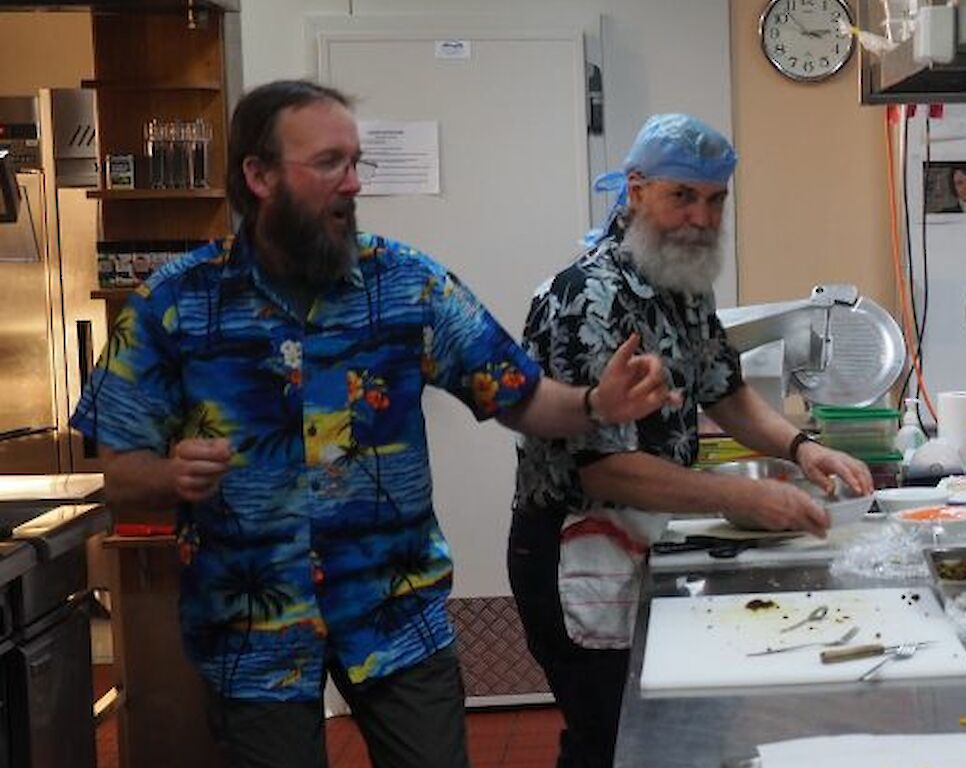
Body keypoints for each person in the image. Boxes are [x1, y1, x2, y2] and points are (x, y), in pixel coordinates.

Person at [70, 80, 678, 768]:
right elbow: (118, 474)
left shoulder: (405, 283)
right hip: (252, 630)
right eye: (329, 163)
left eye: (357, 161)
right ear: (259, 175)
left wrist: (596, 404)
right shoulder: (175, 304)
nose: (354, 183)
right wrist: (170, 474)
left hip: (396, 614)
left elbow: (518, 395)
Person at [511, 113, 875, 768]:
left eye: (716, 200)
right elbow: (603, 469)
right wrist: (739, 497)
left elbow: (726, 394)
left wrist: (801, 448)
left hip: (647, 536)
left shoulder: (684, 286)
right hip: (577, 549)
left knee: (670, 733)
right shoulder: (583, 299)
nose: (702, 219)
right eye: (684, 196)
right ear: (636, 188)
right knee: (609, 740)